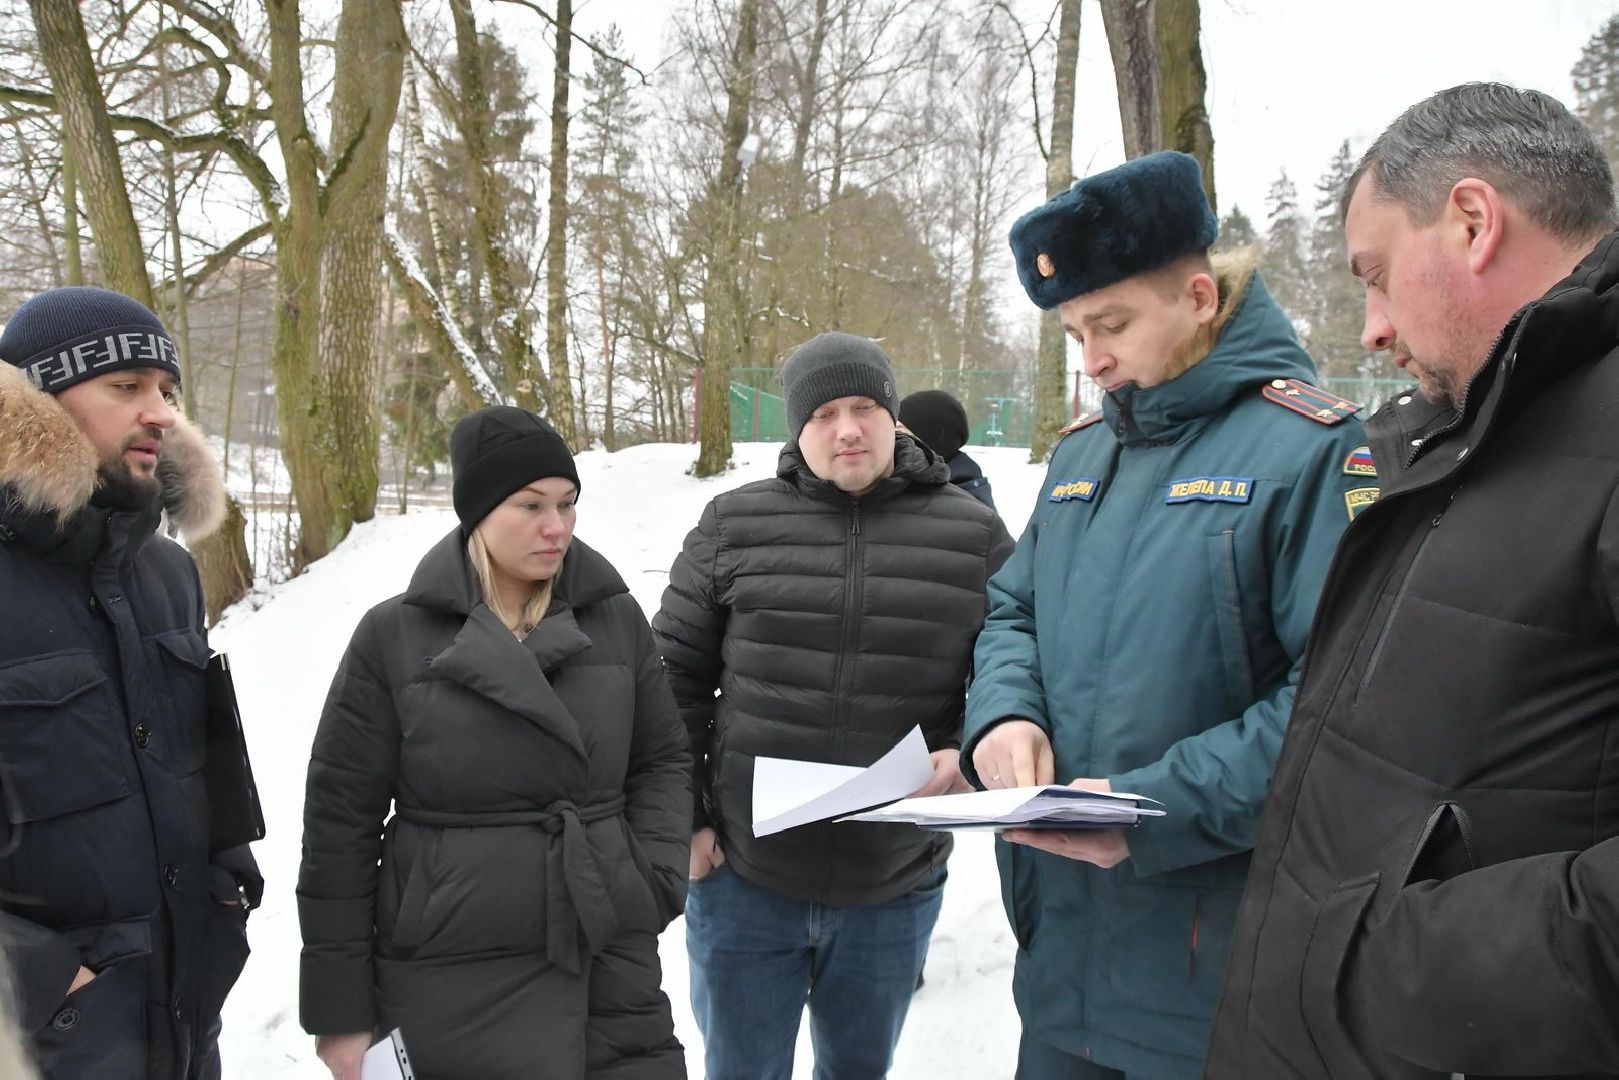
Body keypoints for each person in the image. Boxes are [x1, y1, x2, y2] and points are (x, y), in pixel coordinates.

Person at [1206, 83, 1619, 1078]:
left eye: (1375, 276)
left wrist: (1399, 966)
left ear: (1472, 221)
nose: (1370, 331)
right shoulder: (1460, 433)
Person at [962, 151, 1372, 1079]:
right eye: (1073, 333)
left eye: (1110, 322)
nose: (1093, 358)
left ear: (1197, 296)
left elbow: (1338, 705)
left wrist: (1153, 811)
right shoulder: (1081, 456)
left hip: (1217, 978)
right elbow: (1011, 613)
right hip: (1062, 971)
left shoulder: (1310, 450)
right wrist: (1005, 714)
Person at [654, 331, 1013, 1080]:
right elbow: (669, 680)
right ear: (796, 428)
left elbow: (1018, 669)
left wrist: (973, 753)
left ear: (892, 417)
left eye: (863, 406)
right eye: (822, 413)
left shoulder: (971, 534)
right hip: (745, 881)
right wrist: (684, 818)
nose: (846, 428)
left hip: (891, 886)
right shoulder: (732, 526)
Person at [297, 407, 691, 1080]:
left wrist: (647, 875)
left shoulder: (614, 617)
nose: (556, 526)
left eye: (567, 504)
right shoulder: (393, 636)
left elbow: (662, 759)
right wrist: (339, 1010)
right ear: (478, 511)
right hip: (446, 960)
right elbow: (340, 825)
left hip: (601, 949)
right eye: (530, 505)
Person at [0, 286, 261, 1077]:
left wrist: (227, 886)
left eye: (166, 391)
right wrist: (52, 983)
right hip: (41, 1040)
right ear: (34, 404)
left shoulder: (168, 572)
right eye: (127, 387)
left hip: (181, 1015)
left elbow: (205, 760)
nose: (160, 413)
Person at [898, 389, 996, 509]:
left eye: (900, 430)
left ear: (930, 442)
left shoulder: (964, 508)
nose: (892, 437)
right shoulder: (903, 485)